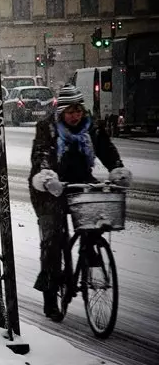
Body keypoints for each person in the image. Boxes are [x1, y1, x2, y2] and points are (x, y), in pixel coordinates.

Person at [29, 84, 132, 321]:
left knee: (92, 225)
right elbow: (42, 155)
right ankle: (50, 294)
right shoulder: (48, 128)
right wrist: (46, 177)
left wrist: (117, 168)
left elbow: (106, 149)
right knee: (53, 240)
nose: (75, 115)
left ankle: (90, 254)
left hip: (80, 180)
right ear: (61, 111)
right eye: (70, 111)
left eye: (78, 110)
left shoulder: (92, 127)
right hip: (49, 187)